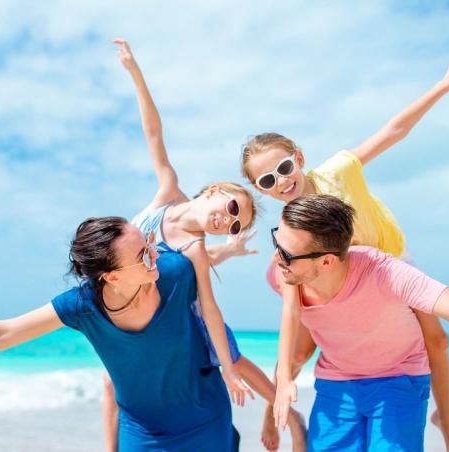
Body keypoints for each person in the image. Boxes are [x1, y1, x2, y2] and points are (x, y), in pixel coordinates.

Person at [240, 44, 449, 452]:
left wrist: (443, 86)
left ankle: (448, 426)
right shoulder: (294, 232)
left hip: (389, 265)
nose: (281, 182)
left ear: (298, 159)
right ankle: (275, 404)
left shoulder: (337, 170)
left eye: (284, 168)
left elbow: (392, 131)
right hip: (336, 284)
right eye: (267, 181)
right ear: (259, 189)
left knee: (437, 341)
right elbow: (289, 312)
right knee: (301, 349)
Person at [100, 39, 307, 452]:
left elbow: (200, 293)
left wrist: (225, 251)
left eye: (234, 223)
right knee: (110, 383)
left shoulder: (195, 246)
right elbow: (153, 133)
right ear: (213, 191)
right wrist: (135, 72)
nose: (227, 220)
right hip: (140, 312)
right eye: (233, 206)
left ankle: (289, 414)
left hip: (187, 316)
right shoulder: (166, 193)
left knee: (231, 359)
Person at [0, 216, 240, 451]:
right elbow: (5, 333)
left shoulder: (175, 272)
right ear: (110, 277)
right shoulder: (83, 305)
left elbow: (202, 260)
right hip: (143, 431)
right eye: (142, 256)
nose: (154, 255)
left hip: (205, 417)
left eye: (149, 245)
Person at [271, 194, 449, 451]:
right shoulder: (284, 272)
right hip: (337, 383)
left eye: (286, 253)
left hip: (398, 379)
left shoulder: (385, 273)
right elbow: (297, 342)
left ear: (328, 261)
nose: (276, 257)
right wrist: (278, 393)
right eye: (276, 242)